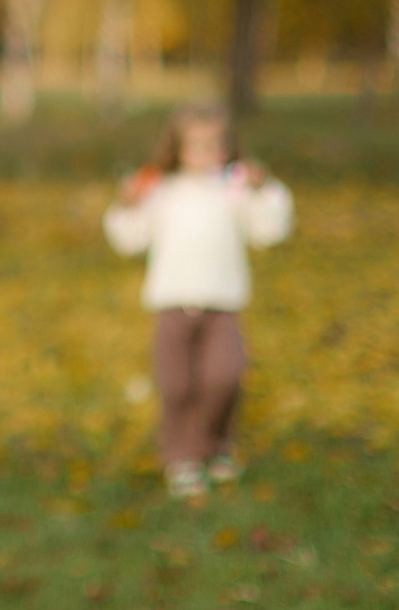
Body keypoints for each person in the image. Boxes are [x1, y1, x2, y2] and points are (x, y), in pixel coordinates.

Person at [101, 104, 293, 500]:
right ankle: (182, 458)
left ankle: (216, 442)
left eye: (216, 144)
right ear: (177, 148)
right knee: (177, 386)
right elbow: (130, 239)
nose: (208, 152)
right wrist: (127, 204)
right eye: (197, 145)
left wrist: (265, 189)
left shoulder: (235, 188)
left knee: (225, 376)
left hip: (222, 305)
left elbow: (270, 231)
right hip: (172, 306)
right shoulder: (161, 191)